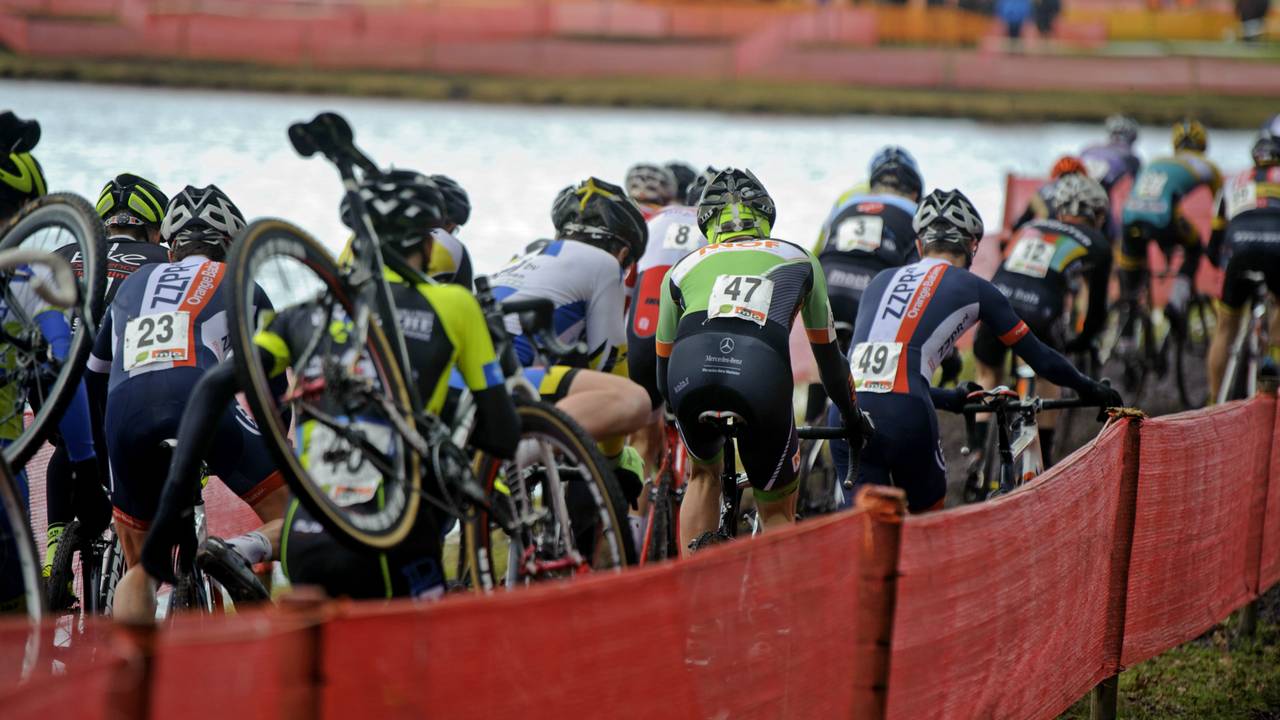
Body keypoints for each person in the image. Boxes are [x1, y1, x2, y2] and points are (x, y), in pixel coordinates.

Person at [144, 170, 520, 601]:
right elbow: (504, 435)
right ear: (430, 244)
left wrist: (172, 504)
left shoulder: (301, 314)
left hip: (306, 542)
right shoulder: (454, 304)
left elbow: (211, 389)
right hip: (394, 539)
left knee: (324, 664)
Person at [836, 189, 1120, 513]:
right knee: (924, 528)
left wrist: (950, 398)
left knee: (862, 529)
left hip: (847, 410)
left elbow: (878, 378)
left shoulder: (880, 280)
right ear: (972, 246)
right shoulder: (975, 287)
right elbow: (1040, 358)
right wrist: (1092, 389)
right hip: (906, 412)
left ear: (919, 244)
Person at [87, 184, 288, 623]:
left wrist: (109, 465)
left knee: (139, 569)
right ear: (231, 246)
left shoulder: (133, 282)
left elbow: (94, 376)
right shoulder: (240, 282)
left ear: (172, 247)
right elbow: (273, 399)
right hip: (199, 404)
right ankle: (236, 550)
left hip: (125, 415)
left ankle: (131, 672)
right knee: (295, 519)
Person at [655, 168, 872, 553]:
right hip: (760, 375)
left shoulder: (682, 267)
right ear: (766, 218)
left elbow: (662, 372)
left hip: (687, 373)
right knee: (776, 512)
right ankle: (776, 606)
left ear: (709, 224)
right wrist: (852, 418)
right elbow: (830, 363)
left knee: (702, 475)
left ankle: (690, 595)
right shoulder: (799, 258)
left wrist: (682, 408)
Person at [489, 177, 652, 505]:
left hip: (474, 375)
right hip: (506, 376)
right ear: (622, 251)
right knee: (636, 401)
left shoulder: (526, 255)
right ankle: (510, 461)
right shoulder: (604, 264)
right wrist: (615, 456)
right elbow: (609, 362)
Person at [43, 173, 173, 581]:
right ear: (155, 229)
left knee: (67, 445)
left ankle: (53, 549)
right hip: (118, 392)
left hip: (48, 390)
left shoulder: (64, 251)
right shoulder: (162, 260)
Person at [972, 174, 1113, 466]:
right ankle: (1044, 457)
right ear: (1098, 214)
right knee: (1048, 376)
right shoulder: (1098, 242)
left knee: (987, 376)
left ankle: (975, 453)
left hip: (996, 300)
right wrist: (1083, 340)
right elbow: (1096, 310)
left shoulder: (1030, 226)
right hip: (1041, 309)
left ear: (1059, 208)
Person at [814, 146, 924, 349]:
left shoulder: (847, 202)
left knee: (824, 357)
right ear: (915, 192)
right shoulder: (917, 212)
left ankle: (816, 379)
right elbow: (922, 272)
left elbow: (818, 250)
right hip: (871, 289)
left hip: (827, 284)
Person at [1119, 119, 1223, 324]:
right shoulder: (1208, 167)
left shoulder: (1156, 160)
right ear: (1203, 145)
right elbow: (1220, 209)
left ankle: (1126, 334)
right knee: (1195, 247)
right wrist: (1216, 247)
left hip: (1129, 217)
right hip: (1163, 219)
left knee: (1131, 279)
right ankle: (1175, 302)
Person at [1206, 117, 1280, 401]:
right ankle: (1273, 358)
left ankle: (1213, 402)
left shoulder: (1231, 183)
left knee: (1225, 328)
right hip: (1277, 251)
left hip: (1239, 253)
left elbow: (1214, 245)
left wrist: (1222, 265)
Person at [1081, 115, 1143, 240]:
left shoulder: (1089, 148)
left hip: (1074, 190)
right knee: (1113, 236)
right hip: (1099, 194)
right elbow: (1138, 190)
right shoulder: (1131, 156)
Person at [1012, 155, 1087, 231]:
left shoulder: (1042, 191)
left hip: (1048, 234)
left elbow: (1022, 222)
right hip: (1072, 234)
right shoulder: (1085, 191)